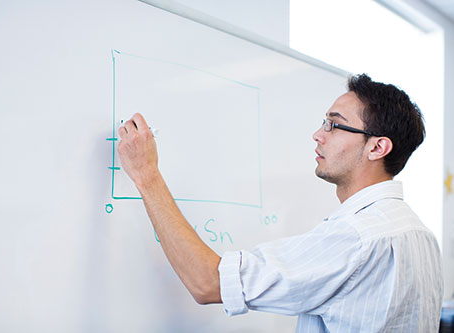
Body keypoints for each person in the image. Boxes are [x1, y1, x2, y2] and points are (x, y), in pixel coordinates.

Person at [116, 74, 443, 332]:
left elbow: (208, 283)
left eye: (334, 123)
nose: (318, 134)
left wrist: (147, 175)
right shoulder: (419, 233)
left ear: (377, 148)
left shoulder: (354, 238)